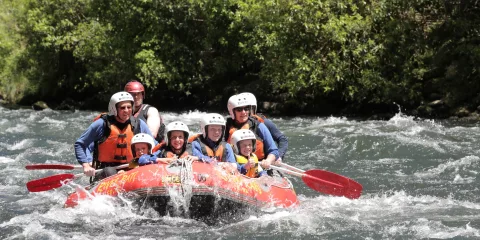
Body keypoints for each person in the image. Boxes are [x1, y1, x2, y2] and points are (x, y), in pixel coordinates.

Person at [74, 91, 154, 180]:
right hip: (105, 171)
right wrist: (86, 165)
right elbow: (80, 144)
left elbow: (153, 146)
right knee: (110, 172)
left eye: (129, 107)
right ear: (114, 109)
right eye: (122, 108)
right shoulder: (101, 124)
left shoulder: (139, 124)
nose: (126, 111)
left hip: (131, 168)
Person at [224, 94, 279, 171]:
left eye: (246, 109)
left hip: (259, 168)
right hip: (235, 168)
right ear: (232, 112)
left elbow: (273, 150)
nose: (244, 112)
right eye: (239, 109)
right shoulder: (226, 128)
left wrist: (268, 161)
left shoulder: (259, 126)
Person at [238, 92, 288, 162]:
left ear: (253, 109)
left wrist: (278, 156)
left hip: (263, 163)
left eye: (247, 108)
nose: (244, 112)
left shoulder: (264, 123)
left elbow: (282, 139)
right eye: (240, 109)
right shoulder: (233, 125)